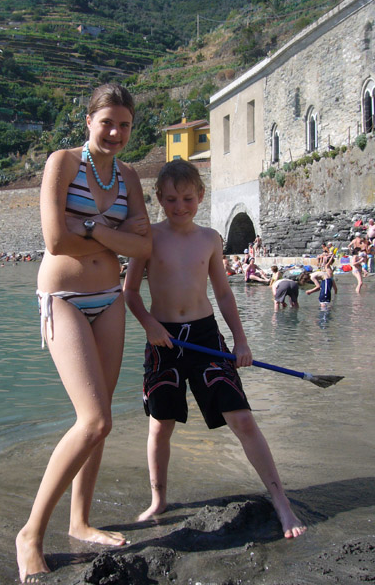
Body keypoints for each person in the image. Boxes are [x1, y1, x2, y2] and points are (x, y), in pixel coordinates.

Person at [123, 160, 306, 540]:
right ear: (158, 198)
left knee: (242, 419)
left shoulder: (210, 239)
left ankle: (281, 502)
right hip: (163, 340)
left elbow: (223, 293)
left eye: (187, 198)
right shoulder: (149, 237)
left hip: (206, 338)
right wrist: (150, 325)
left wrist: (240, 340)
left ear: (201, 197)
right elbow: (130, 293)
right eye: (171, 199)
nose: (179, 206)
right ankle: (158, 499)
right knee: (161, 425)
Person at [16, 84, 152, 584]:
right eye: (107, 122)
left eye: (125, 125)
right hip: (64, 300)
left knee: (104, 419)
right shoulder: (62, 162)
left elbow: (144, 247)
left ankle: (79, 521)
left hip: (109, 300)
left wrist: (91, 226)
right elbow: (55, 239)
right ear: (89, 121)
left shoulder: (130, 175)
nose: (116, 133)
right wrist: (113, 231)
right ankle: (30, 534)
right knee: (92, 421)